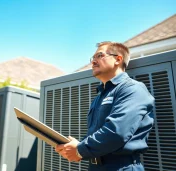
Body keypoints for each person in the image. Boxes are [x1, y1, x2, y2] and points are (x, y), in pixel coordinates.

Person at [55, 41, 155, 171]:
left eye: (99, 56)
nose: (93, 61)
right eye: (93, 58)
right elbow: (97, 132)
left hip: (121, 167)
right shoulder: (100, 96)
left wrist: (80, 149)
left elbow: (117, 132)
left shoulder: (133, 89)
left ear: (118, 59)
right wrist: (76, 146)